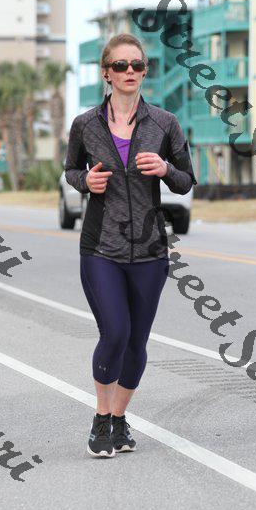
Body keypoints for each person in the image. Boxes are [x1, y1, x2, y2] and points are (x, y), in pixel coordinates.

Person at [65, 33, 197, 458]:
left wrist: (165, 168)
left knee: (137, 342)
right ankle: (101, 417)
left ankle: (119, 420)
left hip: (150, 250)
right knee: (115, 332)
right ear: (106, 73)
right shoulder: (85, 124)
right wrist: (86, 181)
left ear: (144, 71)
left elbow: (187, 180)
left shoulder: (164, 123)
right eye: (120, 65)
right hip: (100, 248)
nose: (129, 72)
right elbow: (70, 170)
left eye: (137, 65)